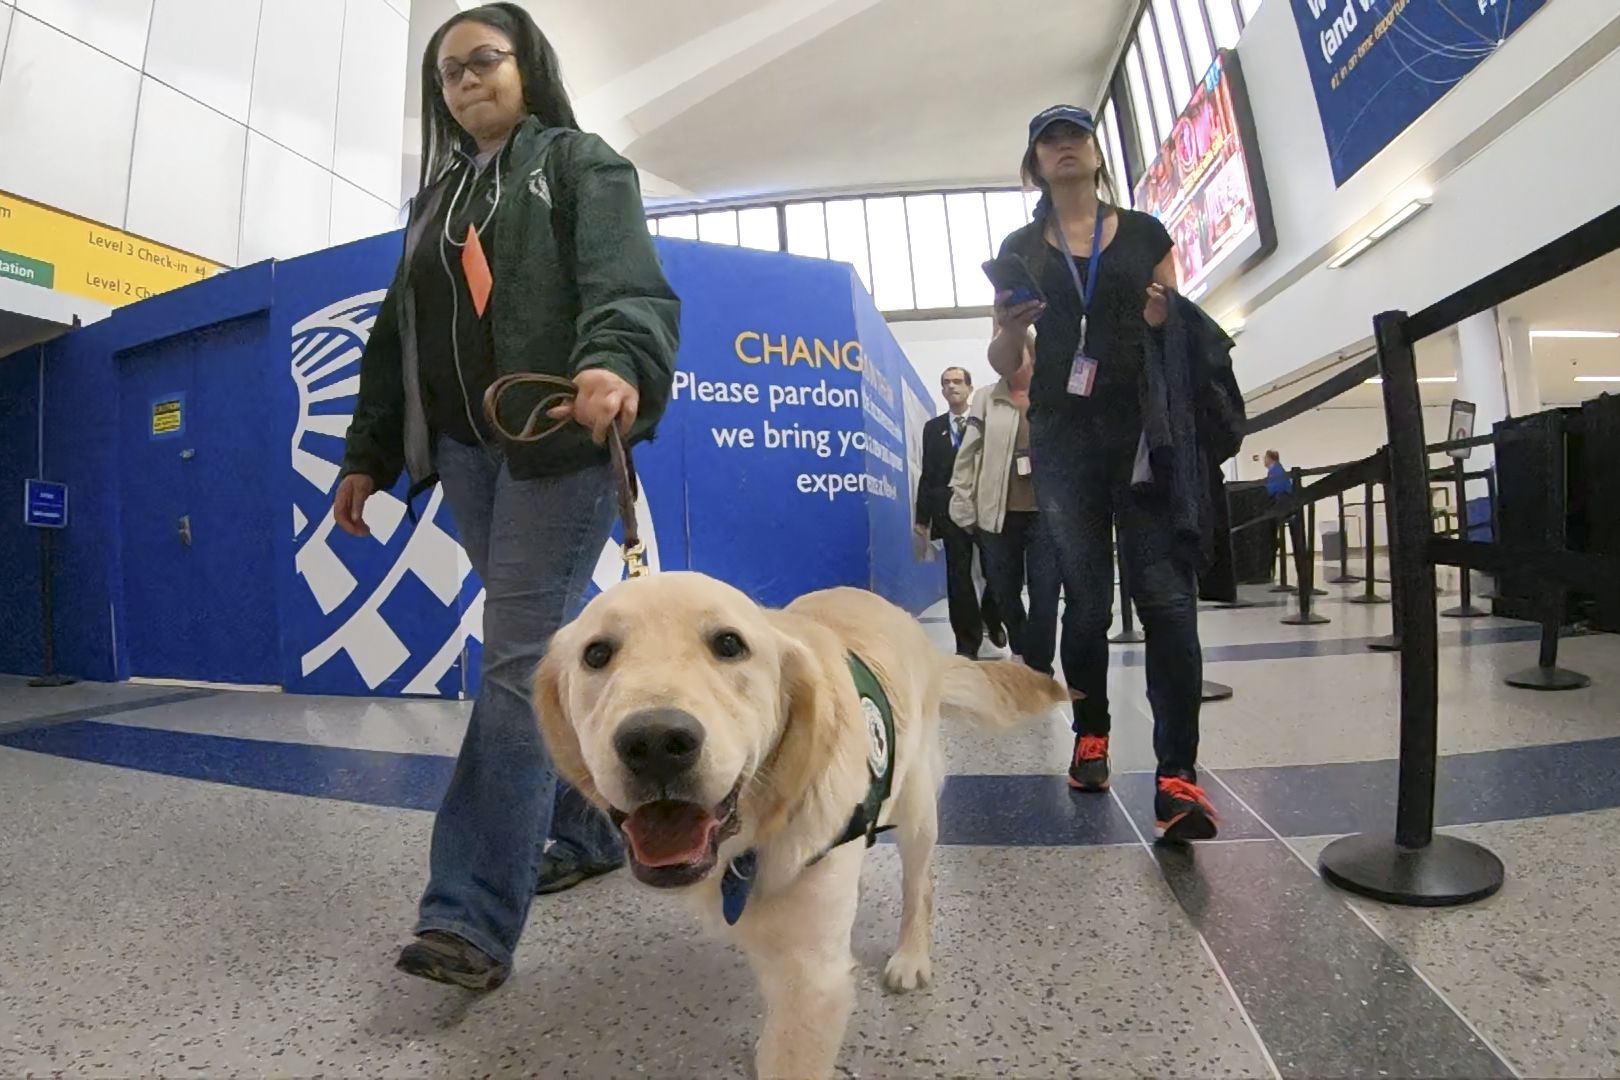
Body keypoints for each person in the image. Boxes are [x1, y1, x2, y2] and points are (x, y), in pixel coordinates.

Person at [334, 2, 679, 990]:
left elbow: (628, 285)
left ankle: (470, 914)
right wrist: (369, 453)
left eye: (485, 59)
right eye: (449, 73)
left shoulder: (578, 163)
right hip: (466, 456)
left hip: (554, 442)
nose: (467, 80)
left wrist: (612, 361)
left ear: (527, 66)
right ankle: (591, 829)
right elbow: (391, 339)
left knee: (519, 660)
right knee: (557, 657)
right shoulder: (434, 202)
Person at [988, 105, 1239, 842]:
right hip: (1065, 439)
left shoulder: (1147, 234)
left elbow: (1179, 328)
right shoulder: (1020, 248)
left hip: (1144, 435)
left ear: (1096, 155)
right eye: (1048, 140)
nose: (1063, 147)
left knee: (1165, 600)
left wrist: (1164, 320)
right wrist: (1008, 329)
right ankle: (1090, 733)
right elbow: (1009, 368)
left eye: (1075, 136)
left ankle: (1177, 775)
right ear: (1035, 163)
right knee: (1087, 603)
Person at [948, 325, 1060, 675]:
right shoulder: (985, 398)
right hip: (998, 512)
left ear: (1032, 353)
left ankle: (1039, 665)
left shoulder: (1053, 394)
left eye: (1017, 351)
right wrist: (963, 504)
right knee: (1003, 591)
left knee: (1045, 593)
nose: (1009, 360)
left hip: (1046, 511)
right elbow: (967, 455)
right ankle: (1022, 645)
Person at [915, 368, 1007, 658]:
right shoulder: (933, 428)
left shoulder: (985, 423)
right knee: (959, 580)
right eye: (946, 383)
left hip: (985, 507)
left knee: (998, 570)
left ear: (969, 387)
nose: (951, 387)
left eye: (957, 382)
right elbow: (927, 475)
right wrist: (922, 518)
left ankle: (993, 616)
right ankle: (966, 645)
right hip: (948, 513)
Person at [1264, 450, 1307, 583]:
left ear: (1271, 458)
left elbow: (1272, 489)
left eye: (1265, 458)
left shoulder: (1276, 471)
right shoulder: (1276, 470)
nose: (1264, 461)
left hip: (1282, 506)